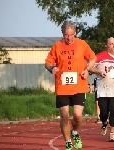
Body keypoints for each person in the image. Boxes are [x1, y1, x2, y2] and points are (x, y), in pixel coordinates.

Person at [45, 20, 96, 150]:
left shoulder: (82, 44)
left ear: (75, 33)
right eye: (66, 35)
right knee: (65, 116)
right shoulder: (57, 46)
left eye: (71, 34)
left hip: (79, 85)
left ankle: (75, 132)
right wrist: (52, 69)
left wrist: (87, 69)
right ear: (62, 33)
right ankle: (67, 141)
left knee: (78, 116)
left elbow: (93, 58)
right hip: (62, 87)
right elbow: (48, 63)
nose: (69, 38)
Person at [90, 37, 114, 142]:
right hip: (103, 89)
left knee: (113, 110)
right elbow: (90, 67)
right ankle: (104, 123)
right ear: (106, 45)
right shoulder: (100, 56)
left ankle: (112, 133)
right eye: (111, 44)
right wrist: (99, 72)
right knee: (104, 113)